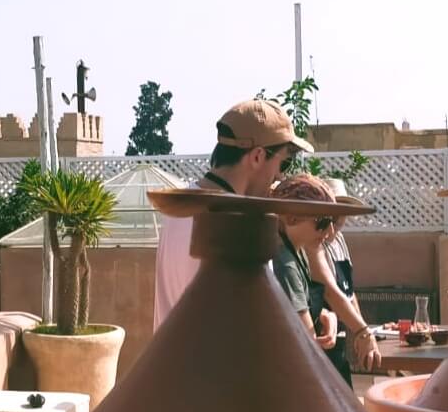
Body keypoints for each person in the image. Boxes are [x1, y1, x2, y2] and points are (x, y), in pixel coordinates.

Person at [153, 99, 312, 330]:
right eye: (284, 163)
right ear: (257, 157)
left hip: (174, 363)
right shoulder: (238, 224)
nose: (280, 176)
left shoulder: (179, 208)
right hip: (220, 365)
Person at [305, 179, 380, 384]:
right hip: (319, 335)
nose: (338, 218)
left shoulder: (339, 240)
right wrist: (362, 332)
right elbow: (329, 290)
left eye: (343, 209)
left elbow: (348, 291)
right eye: (334, 209)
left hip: (339, 335)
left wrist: (359, 331)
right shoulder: (313, 243)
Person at [267, 175, 341, 355]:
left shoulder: (297, 252)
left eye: (332, 221)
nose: (330, 231)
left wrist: (325, 314)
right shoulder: (285, 264)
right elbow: (306, 344)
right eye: (322, 222)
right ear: (292, 218)